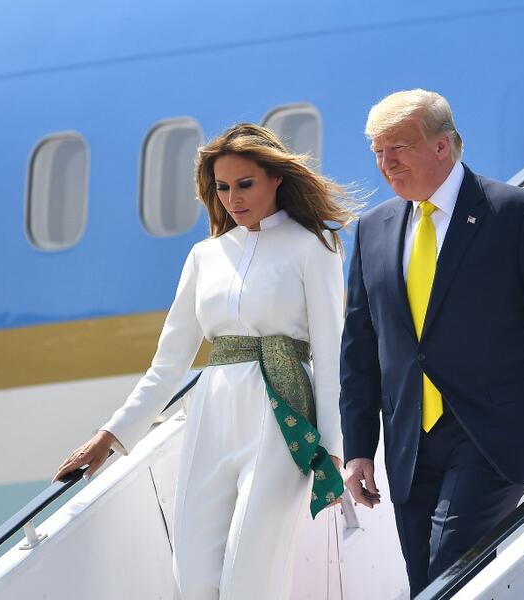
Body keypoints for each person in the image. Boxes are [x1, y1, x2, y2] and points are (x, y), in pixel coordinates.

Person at [339, 89, 524, 596]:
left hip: (495, 433)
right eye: (378, 151)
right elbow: (360, 348)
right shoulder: (372, 231)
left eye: (398, 148)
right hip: (410, 441)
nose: (386, 163)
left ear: (442, 145)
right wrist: (360, 447)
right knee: (427, 582)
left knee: (450, 572)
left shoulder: (515, 213)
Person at [54, 123, 356, 600]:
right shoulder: (205, 255)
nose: (233, 198)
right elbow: (168, 363)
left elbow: (332, 351)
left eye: (245, 184)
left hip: (283, 416)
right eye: (222, 187)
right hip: (212, 415)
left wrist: (335, 448)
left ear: (276, 178)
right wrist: (109, 435)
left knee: (249, 580)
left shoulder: (313, 247)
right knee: (193, 578)